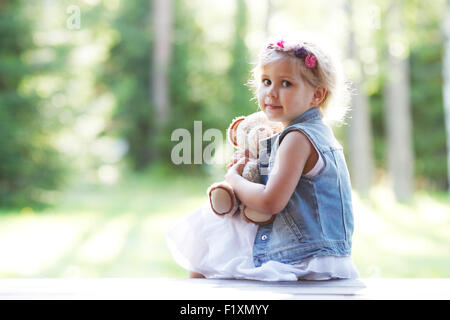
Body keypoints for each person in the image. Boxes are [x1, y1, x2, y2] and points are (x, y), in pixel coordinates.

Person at [166, 31, 359, 281]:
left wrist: (234, 179)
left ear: (317, 95)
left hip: (304, 257)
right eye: (266, 81)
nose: (271, 92)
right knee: (216, 229)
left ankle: (196, 295)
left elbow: (270, 202)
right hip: (324, 254)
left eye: (286, 83)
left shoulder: (297, 138)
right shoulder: (318, 134)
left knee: (212, 227)